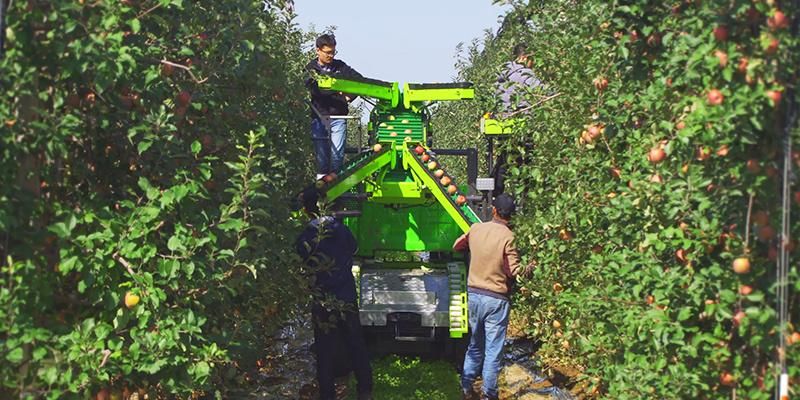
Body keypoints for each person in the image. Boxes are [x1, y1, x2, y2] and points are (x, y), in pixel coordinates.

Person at [295, 187, 373, 400]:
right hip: (345, 295)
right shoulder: (340, 229)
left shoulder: (305, 236)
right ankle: (365, 390)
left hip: (322, 299)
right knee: (356, 343)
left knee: (324, 349)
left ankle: (327, 394)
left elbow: (300, 261)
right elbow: (354, 249)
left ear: (306, 210)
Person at [453, 194, 527, 400]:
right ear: (512, 216)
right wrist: (529, 268)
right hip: (496, 299)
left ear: (494, 210)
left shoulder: (476, 229)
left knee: (475, 345)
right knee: (493, 351)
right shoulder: (509, 237)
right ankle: (489, 395)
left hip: (475, 295)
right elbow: (514, 271)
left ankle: (466, 388)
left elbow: (457, 245)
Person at [305, 33, 362, 180]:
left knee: (337, 158)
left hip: (339, 117)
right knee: (322, 158)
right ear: (318, 50)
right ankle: (321, 192)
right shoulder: (311, 69)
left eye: (333, 52)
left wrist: (349, 97)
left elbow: (360, 82)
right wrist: (338, 90)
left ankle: (337, 193)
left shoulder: (340, 66)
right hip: (319, 117)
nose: (331, 55)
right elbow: (317, 91)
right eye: (328, 52)